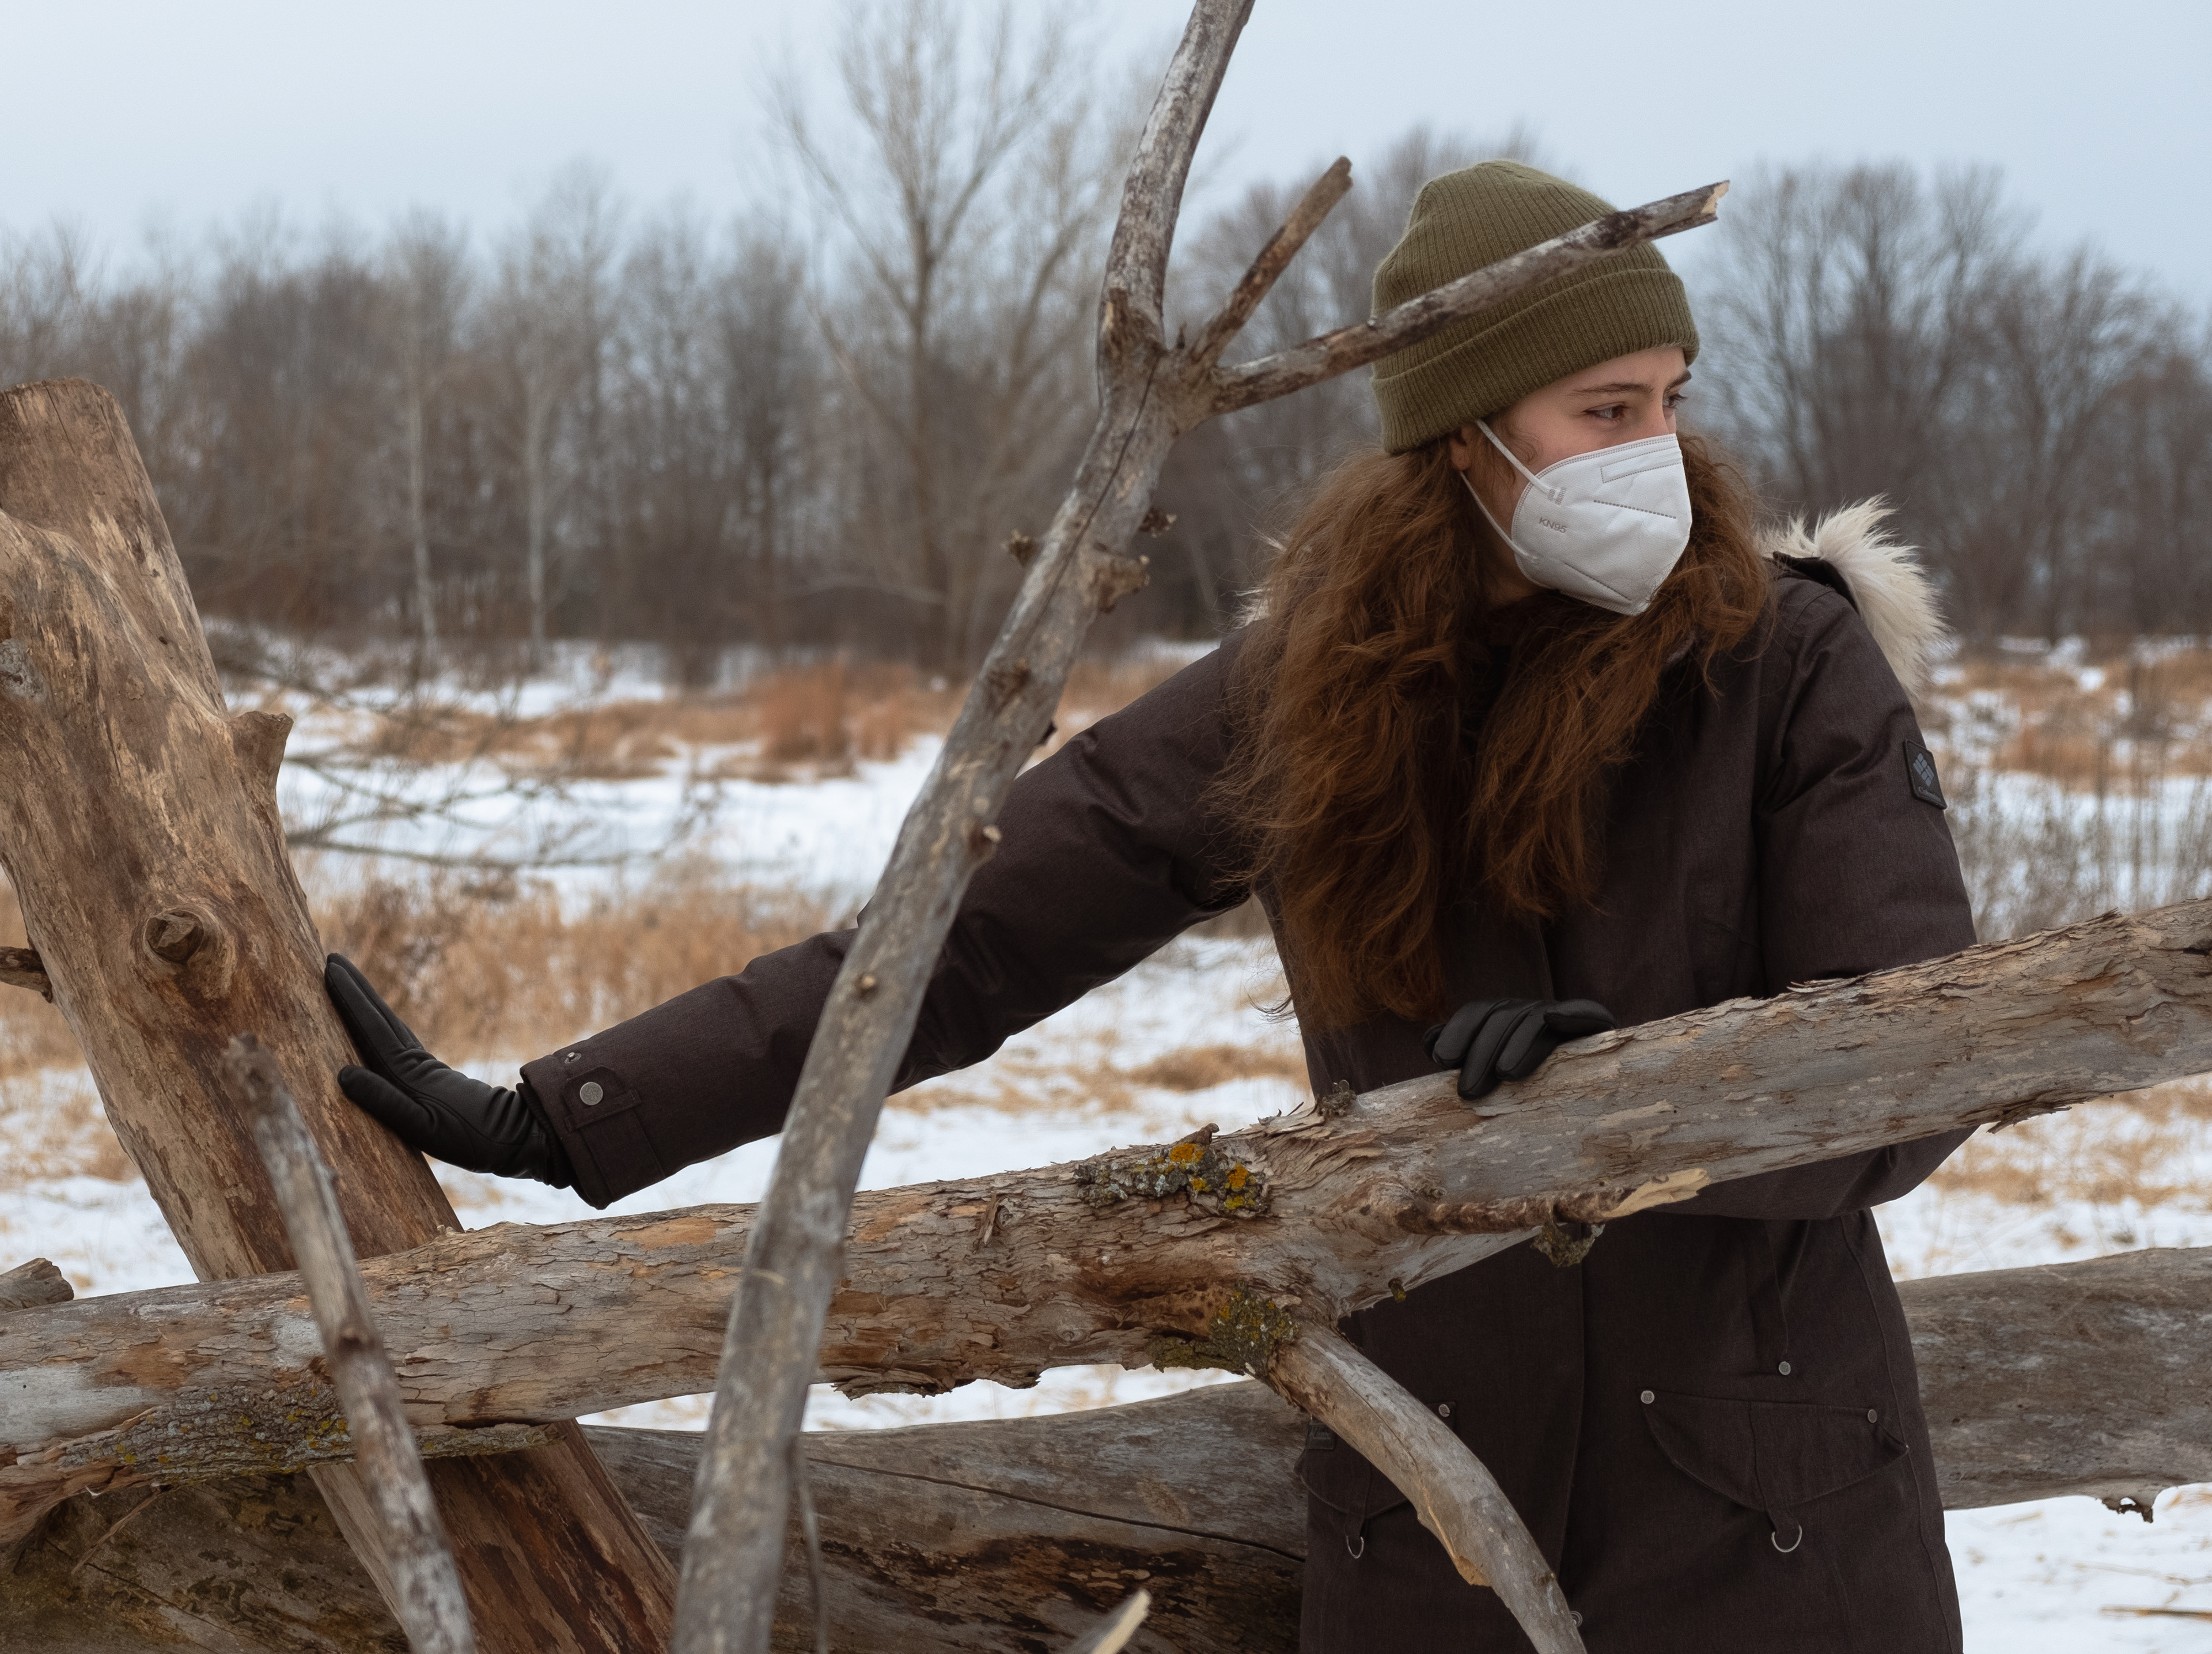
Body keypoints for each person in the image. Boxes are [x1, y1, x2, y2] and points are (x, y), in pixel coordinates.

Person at [324, 161, 1970, 1651]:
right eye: (1606, 411)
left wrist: (1621, 1102)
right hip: (1431, 1532)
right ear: (1463, 437)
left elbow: (1911, 1065)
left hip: (1777, 1525)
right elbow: (952, 943)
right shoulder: (1314, 694)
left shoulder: (1787, 662)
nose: (1658, 456)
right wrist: (569, 1114)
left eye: (1671, 403)